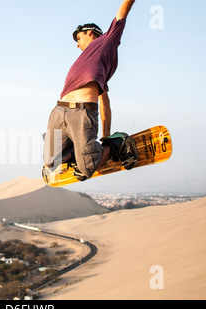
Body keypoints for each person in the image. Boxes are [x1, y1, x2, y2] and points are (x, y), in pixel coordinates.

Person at [43, 0, 138, 181]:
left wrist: (106, 138)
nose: (77, 45)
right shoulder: (86, 60)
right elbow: (105, 100)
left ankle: (117, 145)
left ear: (90, 33)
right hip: (58, 111)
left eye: (79, 38)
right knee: (50, 162)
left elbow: (123, 10)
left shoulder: (107, 41)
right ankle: (74, 153)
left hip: (81, 112)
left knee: (87, 169)